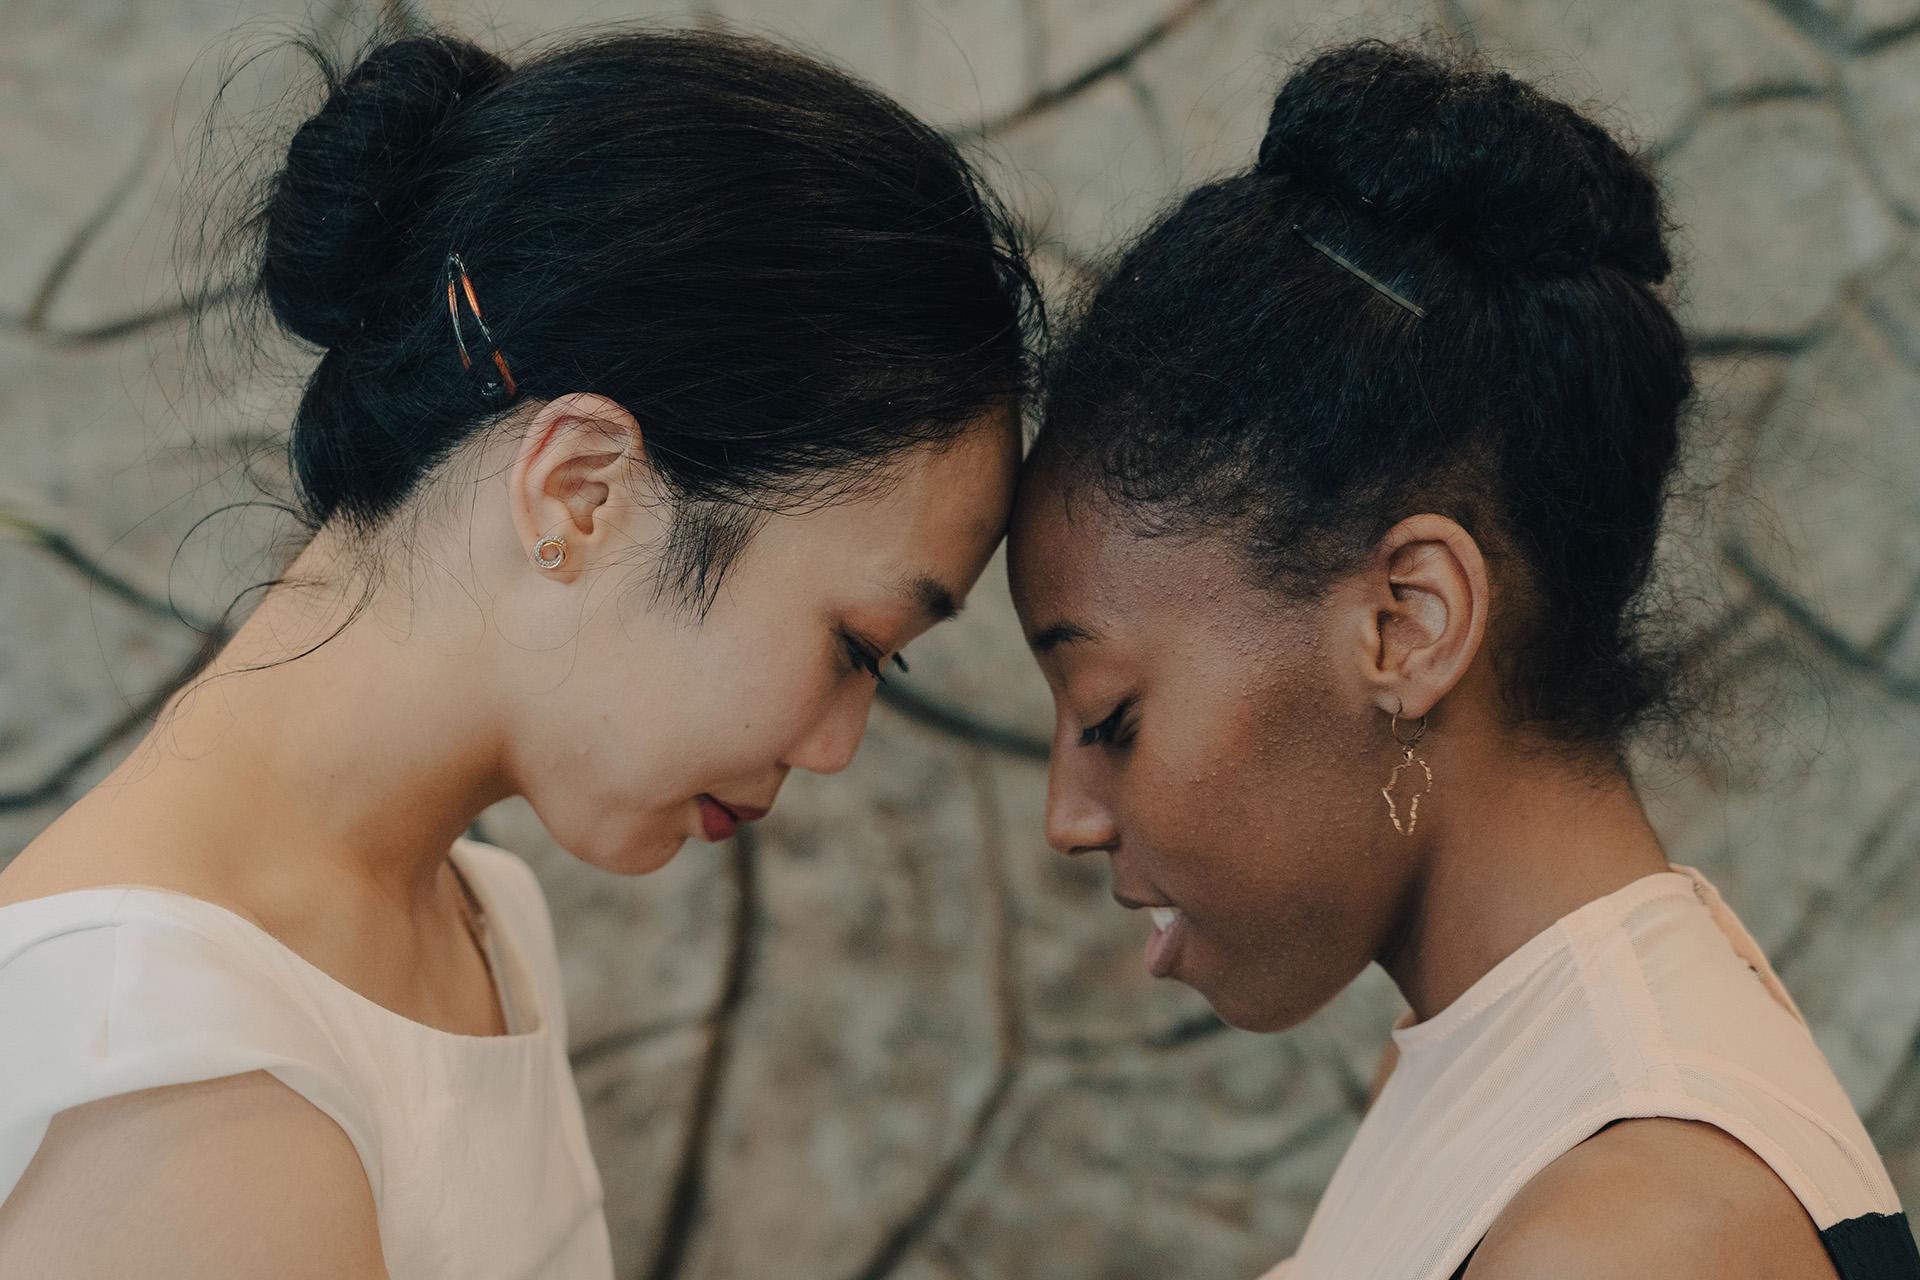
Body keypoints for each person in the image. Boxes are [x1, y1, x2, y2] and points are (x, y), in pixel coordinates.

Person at [0, 24, 1034, 1278]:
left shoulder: (482, 921)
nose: (834, 745)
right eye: (861, 646)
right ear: (583, 489)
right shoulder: (160, 1057)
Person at [1008, 39, 1920, 1280]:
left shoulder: (1631, 1227)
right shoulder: (1506, 1074)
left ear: (1409, 622)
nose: (1068, 814)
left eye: (1109, 714)